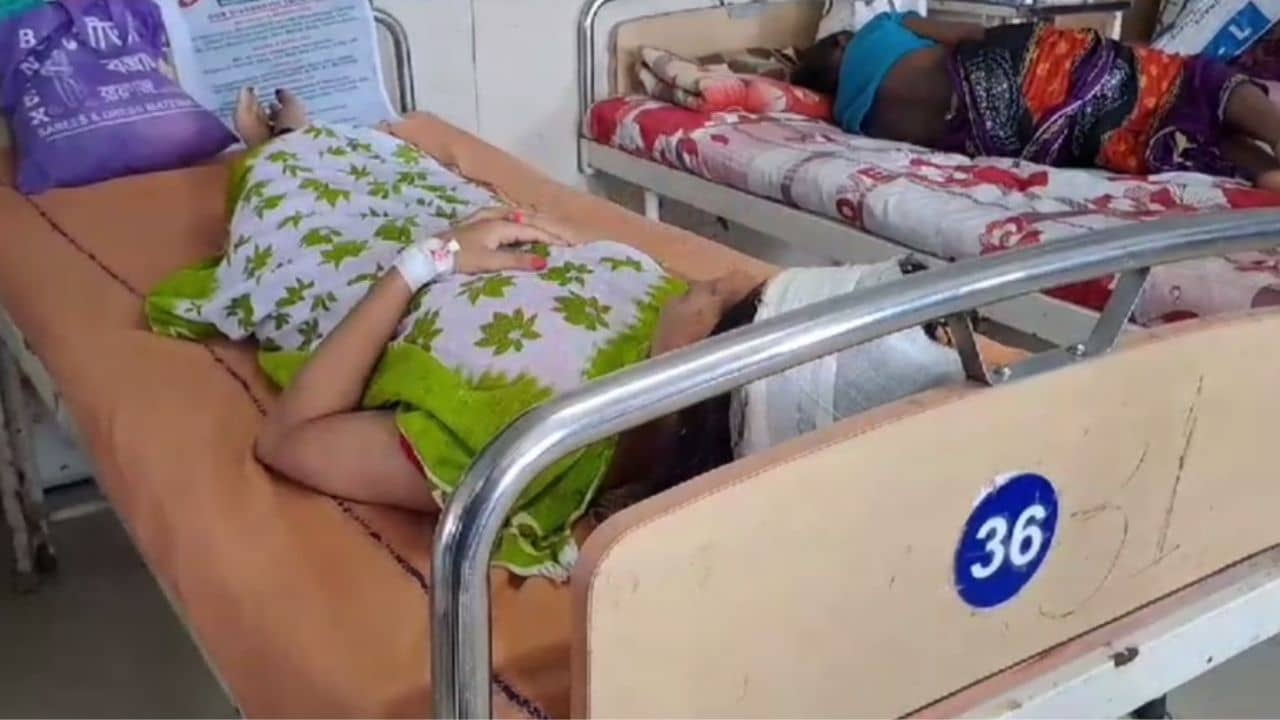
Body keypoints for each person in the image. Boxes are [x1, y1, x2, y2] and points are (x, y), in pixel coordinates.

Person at [150, 87, 993, 579]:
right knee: (400, 165)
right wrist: (524, 231)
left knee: (294, 183)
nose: (720, 277)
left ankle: (275, 148)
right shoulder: (669, 347)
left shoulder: (526, 451)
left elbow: (291, 440)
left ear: (694, 377)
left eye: (729, 301)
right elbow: (592, 270)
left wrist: (427, 261)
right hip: (452, 220)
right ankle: (313, 135)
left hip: (380, 257)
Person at [790, 13, 1280, 192]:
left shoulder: (851, 118)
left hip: (1006, 137)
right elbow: (967, 34)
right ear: (839, 43)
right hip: (1007, 74)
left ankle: (1262, 173)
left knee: (1141, 130)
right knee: (1187, 80)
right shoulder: (877, 30)